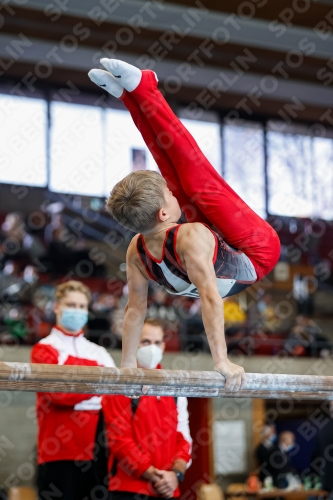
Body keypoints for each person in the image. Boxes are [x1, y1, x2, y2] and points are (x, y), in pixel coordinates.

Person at [88, 59, 280, 391]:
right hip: (257, 253)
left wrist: (128, 364)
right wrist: (221, 360)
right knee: (193, 176)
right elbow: (208, 298)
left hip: (222, 246)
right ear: (164, 214)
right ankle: (145, 88)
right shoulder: (187, 236)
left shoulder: (137, 246)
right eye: (167, 195)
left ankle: (131, 98)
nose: (171, 192)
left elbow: (135, 310)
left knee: (171, 167)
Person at [31, 280, 116, 500]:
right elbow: (58, 394)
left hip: (98, 450)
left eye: (81, 306)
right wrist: (98, 382)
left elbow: (115, 395)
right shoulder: (43, 349)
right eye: (71, 305)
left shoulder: (99, 352)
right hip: (58, 449)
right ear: (57, 307)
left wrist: (78, 387)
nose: (76, 311)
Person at [102, 318, 192, 500]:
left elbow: (183, 439)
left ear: (164, 347)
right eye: (145, 342)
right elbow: (120, 441)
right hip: (129, 490)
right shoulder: (119, 385)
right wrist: (153, 475)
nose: (152, 348)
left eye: (157, 343)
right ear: (132, 343)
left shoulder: (174, 389)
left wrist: (176, 475)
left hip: (168, 489)